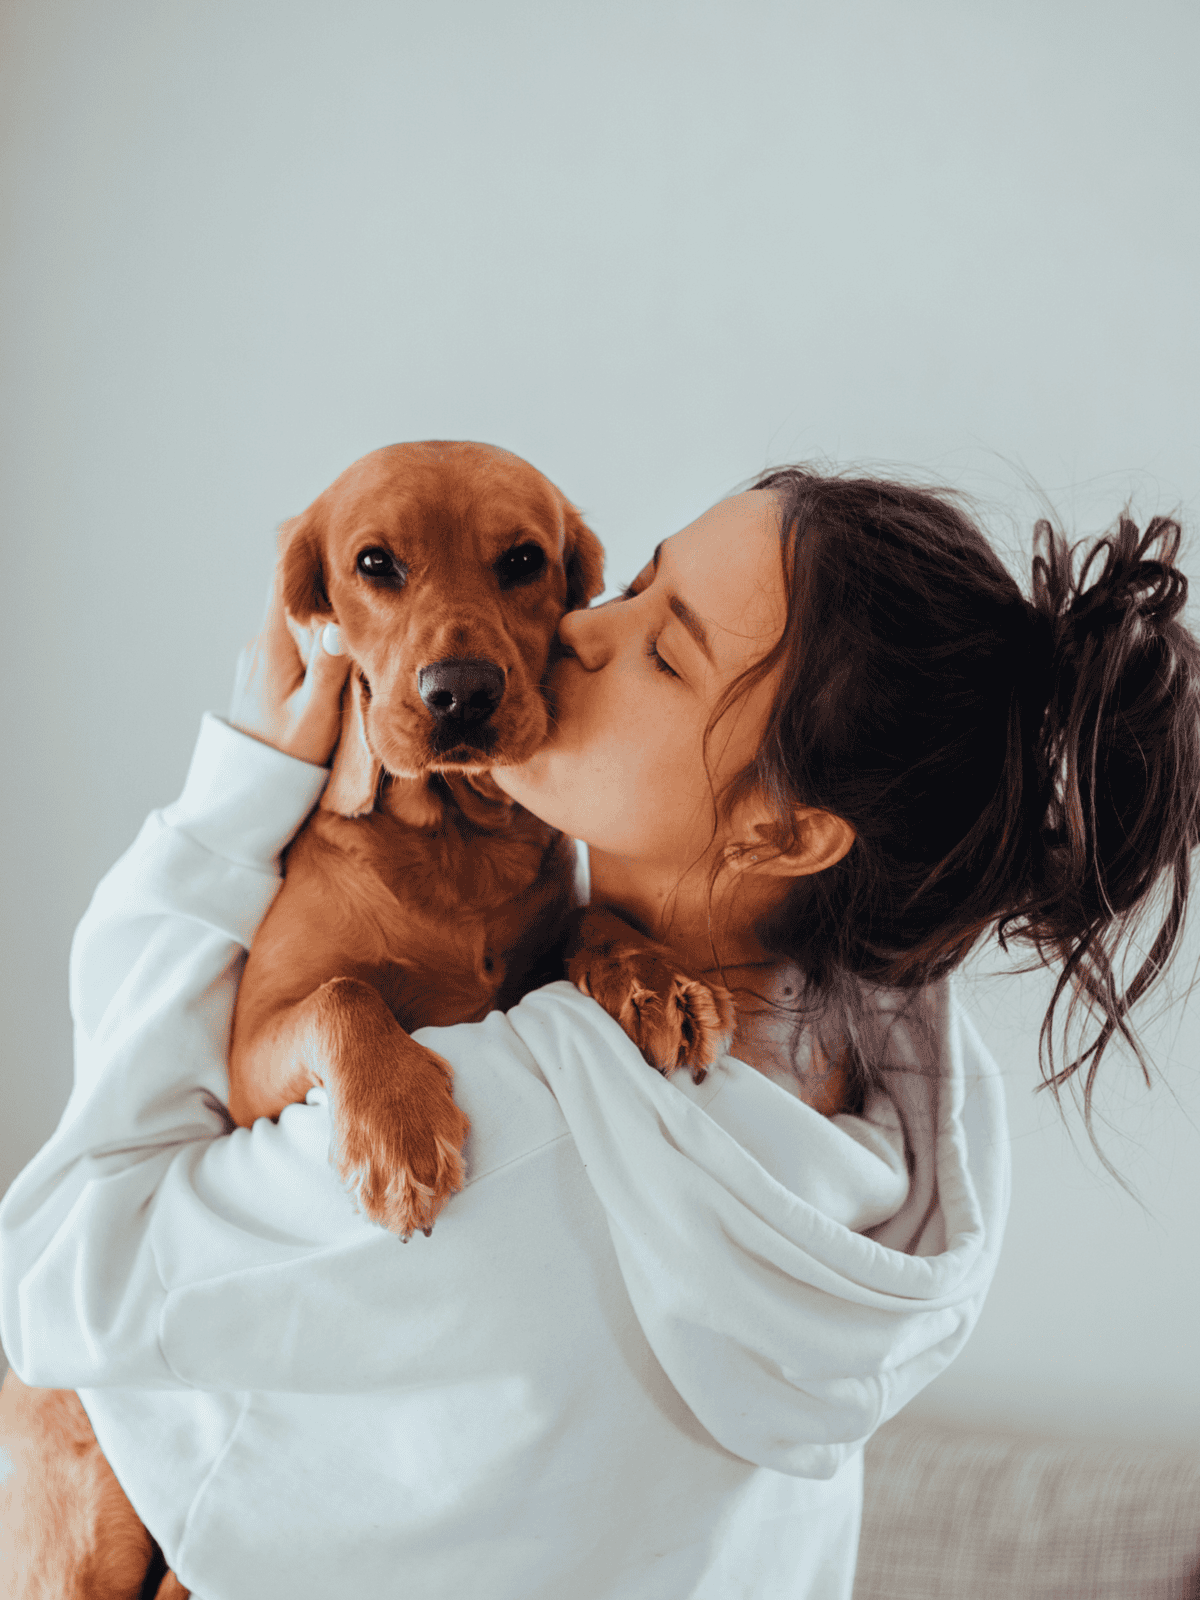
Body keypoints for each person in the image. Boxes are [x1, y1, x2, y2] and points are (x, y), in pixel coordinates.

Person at [1, 465, 1196, 1600]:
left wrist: (232, 801)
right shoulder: (899, 1112)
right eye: (628, 588)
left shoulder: (507, 1135)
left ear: (787, 836)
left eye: (663, 651)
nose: (572, 631)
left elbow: (58, 1279)